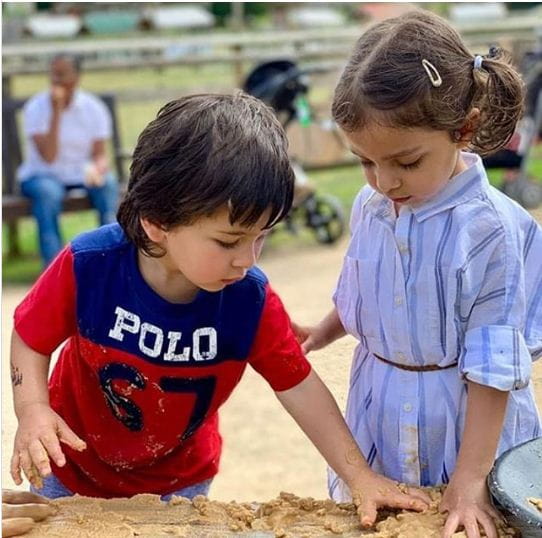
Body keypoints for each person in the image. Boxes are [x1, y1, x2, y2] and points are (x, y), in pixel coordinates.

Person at [9, 92, 429, 528]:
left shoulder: (249, 299)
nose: (247, 259)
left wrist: (359, 477)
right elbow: (30, 337)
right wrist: (33, 408)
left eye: (261, 236)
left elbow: (300, 387)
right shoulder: (89, 265)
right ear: (157, 221)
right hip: (70, 472)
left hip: (178, 484)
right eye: (229, 241)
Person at [293, 10, 542, 538]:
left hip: (463, 426)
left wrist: (470, 480)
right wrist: (325, 329)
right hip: (382, 412)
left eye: (406, 163)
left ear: (464, 129)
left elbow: (494, 367)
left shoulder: (489, 230)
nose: (384, 181)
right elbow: (368, 285)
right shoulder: (370, 206)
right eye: (365, 162)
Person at [17, 53, 119, 267]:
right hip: (42, 176)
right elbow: (49, 157)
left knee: (108, 184)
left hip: (80, 175)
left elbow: (100, 154)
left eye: (62, 74)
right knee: (48, 193)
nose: (56, 80)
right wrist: (56, 112)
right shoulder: (36, 108)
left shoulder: (93, 108)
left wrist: (98, 169)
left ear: (76, 77)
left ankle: (111, 260)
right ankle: (54, 268)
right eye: (53, 74)